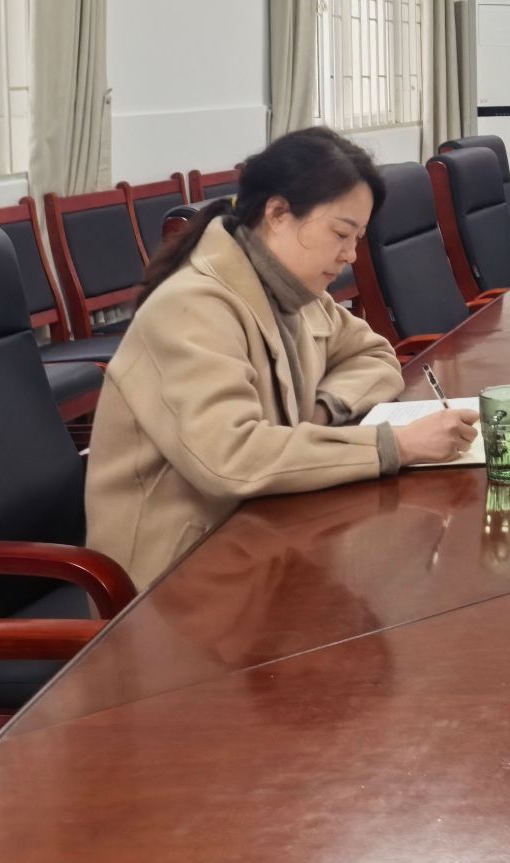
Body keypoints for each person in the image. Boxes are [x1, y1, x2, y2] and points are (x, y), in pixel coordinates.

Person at [86, 127, 478, 589]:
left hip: (263, 536)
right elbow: (230, 459)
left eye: (358, 237)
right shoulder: (192, 307)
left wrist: (321, 411)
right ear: (277, 214)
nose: (351, 255)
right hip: (175, 580)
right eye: (341, 233)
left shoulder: (297, 290)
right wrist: (397, 445)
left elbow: (375, 356)